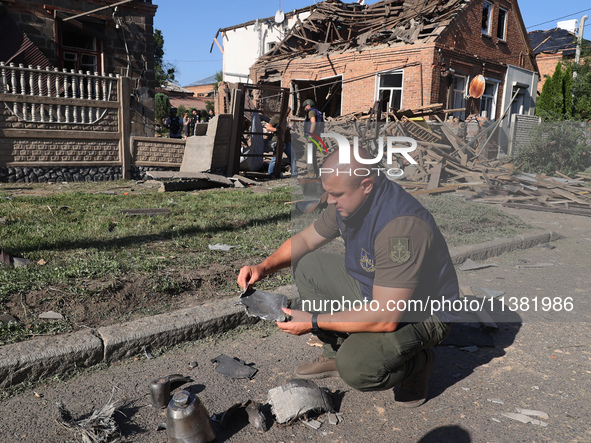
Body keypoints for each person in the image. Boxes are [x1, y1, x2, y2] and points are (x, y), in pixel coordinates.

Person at [237, 148, 458, 407]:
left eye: (336, 194)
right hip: (378, 290)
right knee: (309, 264)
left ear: (366, 185)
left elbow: (386, 317)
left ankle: (418, 365)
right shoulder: (350, 201)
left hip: (423, 312)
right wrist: (265, 266)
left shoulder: (401, 228)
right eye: (329, 192)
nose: (329, 201)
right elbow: (307, 239)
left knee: (357, 367)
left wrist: (314, 322)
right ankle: (335, 350)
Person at [266, 109, 298, 177]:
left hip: (286, 141)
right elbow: (268, 127)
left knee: (293, 155)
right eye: (288, 111)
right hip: (278, 141)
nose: (288, 113)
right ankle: (270, 173)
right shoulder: (277, 117)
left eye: (289, 112)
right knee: (275, 158)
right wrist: (277, 130)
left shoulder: (284, 118)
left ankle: (294, 173)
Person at [302, 99, 324, 175]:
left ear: (308, 105)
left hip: (312, 136)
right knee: (312, 153)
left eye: (305, 107)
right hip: (317, 135)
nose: (304, 109)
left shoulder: (311, 112)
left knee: (308, 154)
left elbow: (313, 123)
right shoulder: (318, 112)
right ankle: (315, 171)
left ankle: (311, 173)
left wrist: (310, 135)